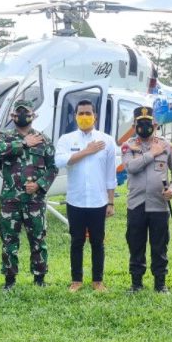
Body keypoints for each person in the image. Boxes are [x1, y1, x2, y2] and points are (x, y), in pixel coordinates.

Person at [0, 99, 57, 291]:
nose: (21, 116)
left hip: (35, 201)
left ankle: (39, 278)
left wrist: (39, 184)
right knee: (9, 240)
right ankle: (10, 280)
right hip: (11, 199)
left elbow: (52, 168)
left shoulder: (43, 139)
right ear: (12, 116)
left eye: (25, 112)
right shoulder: (5, 137)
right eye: (17, 113)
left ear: (33, 116)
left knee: (38, 239)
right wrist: (24, 143)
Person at [55, 99, 117, 292]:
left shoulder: (106, 140)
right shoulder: (66, 139)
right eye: (80, 113)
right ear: (75, 116)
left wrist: (111, 202)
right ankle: (76, 280)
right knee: (77, 241)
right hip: (76, 200)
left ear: (95, 116)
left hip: (99, 201)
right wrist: (87, 151)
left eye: (87, 113)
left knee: (98, 242)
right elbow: (60, 161)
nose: (84, 117)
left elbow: (110, 174)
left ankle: (98, 281)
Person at [121, 106, 172, 294]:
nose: (144, 127)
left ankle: (160, 284)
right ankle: (136, 284)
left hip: (159, 204)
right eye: (140, 124)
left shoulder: (167, 145)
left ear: (154, 124)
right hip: (136, 204)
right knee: (136, 244)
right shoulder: (128, 145)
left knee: (159, 245)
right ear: (134, 125)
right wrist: (152, 154)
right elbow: (131, 167)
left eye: (148, 123)